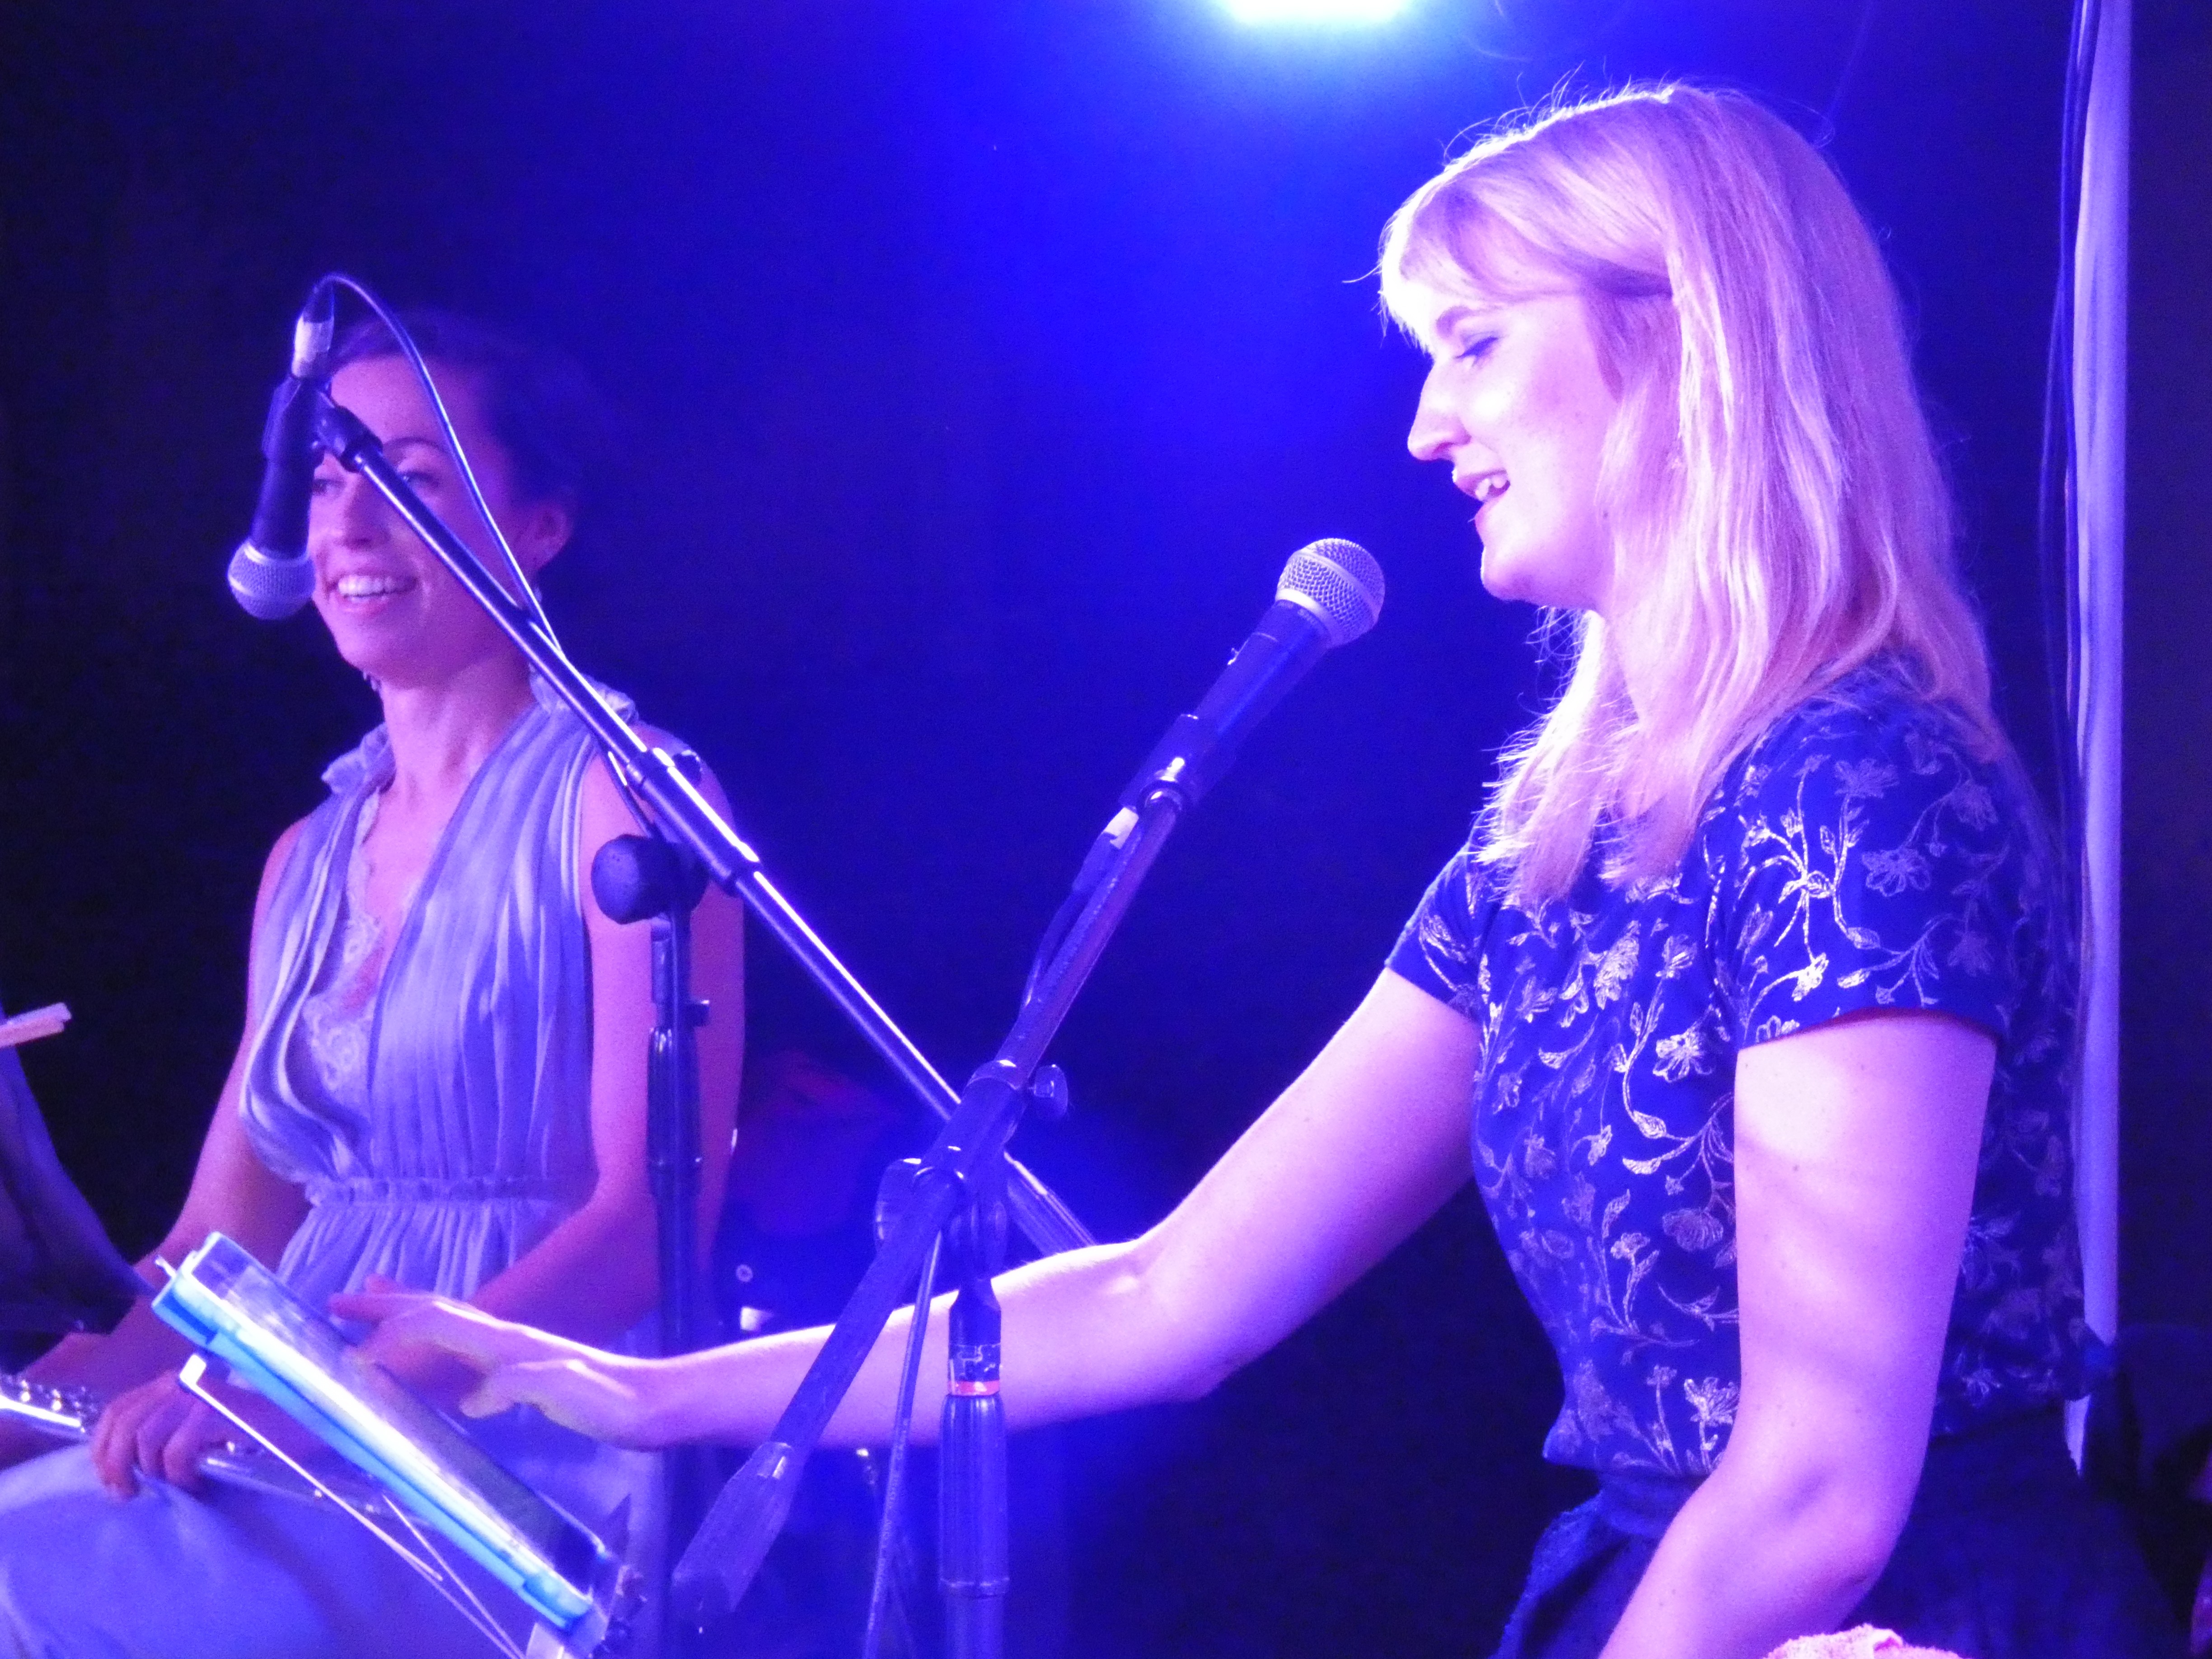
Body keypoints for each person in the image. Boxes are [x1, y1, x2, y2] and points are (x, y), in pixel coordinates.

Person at [341, 86, 2177, 1658]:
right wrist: (638, 1393)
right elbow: (1172, 1294)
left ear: (1686, 337)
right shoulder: (1554, 845)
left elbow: (1819, 1491)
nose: (1426, 427)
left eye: (1476, 344)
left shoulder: (1858, 786)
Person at [0, 311, 745, 1657]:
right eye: (329, 476)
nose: (348, 520)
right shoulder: (307, 855)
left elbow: (648, 1224)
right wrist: (39, 1401)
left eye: (410, 474)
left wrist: (326, 1398)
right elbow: (213, 1249)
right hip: (276, 1422)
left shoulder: (626, 799)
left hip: (508, 1456)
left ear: (541, 527)